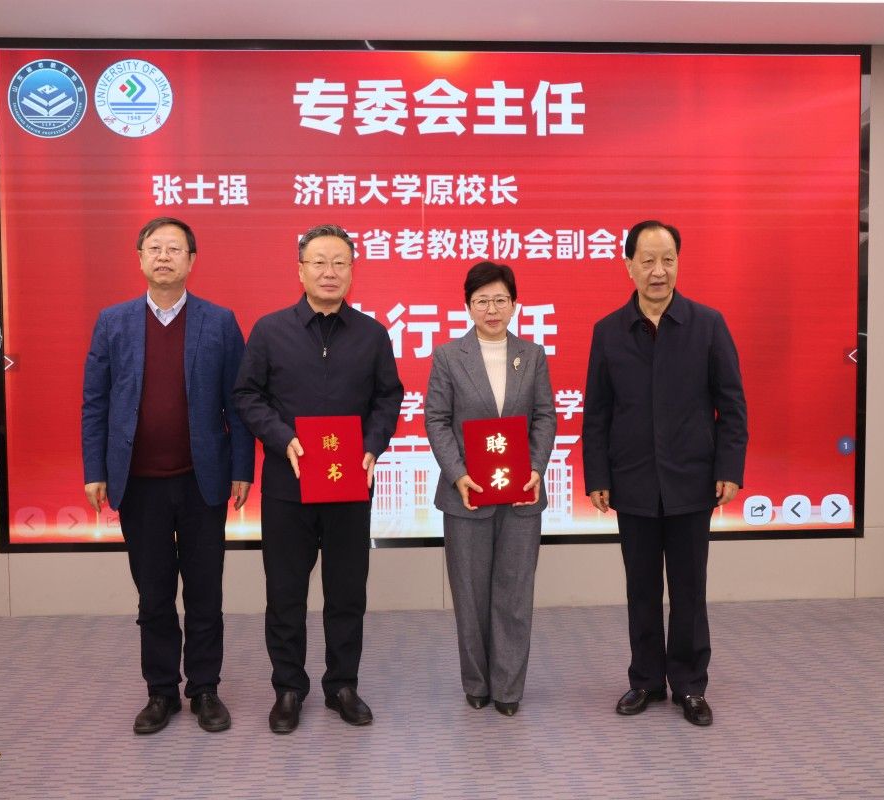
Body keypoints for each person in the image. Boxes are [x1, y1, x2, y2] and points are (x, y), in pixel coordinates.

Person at [81, 217, 254, 735]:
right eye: (154, 248)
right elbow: (95, 403)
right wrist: (95, 469)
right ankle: (161, 691)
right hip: (138, 482)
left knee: (205, 591)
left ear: (191, 260)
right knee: (153, 594)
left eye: (174, 249)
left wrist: (241, 469)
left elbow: (238, 404)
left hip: (202, 480)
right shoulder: (112, 322)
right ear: (139, 258)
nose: (163, 256)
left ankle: (204, 689)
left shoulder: (219, 322)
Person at [233, 223, 403, 734]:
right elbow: (247, 395)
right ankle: (288, 688)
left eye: (340, 263)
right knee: (285, 592)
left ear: (352, 271)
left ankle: (342, 685)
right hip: (289, 486)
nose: (330, 272)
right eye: (320, 262)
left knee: (347, 592)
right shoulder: (270, 331)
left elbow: (388, 397)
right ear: (300, 270)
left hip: (350, 485)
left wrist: (373, 445)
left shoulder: (372, 334)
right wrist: (281, 437)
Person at [582, 220, 747, 727]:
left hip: (691, 480)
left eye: (668, 260)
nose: (659, 271)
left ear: (678, 263)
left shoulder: (707, 324)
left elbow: (731, 405)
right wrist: (597, 475)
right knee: (642, 589)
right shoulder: (609, 331)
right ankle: (647, 681)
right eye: (648, 261)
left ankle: (690, 685)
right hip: (632, 481)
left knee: (689, 589)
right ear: (628, 266)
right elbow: (597, 413)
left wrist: (729, 468)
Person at [424, 261, 556, 716]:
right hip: (467, 493)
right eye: (482, 301)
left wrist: (535, 467)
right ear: (468, 306)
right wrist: (458, 473)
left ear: (514, 305)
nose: (492, 309)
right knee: (470, 595)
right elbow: (436, 419)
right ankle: (477, 683)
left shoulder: (532, 355)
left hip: (521, 494)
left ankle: (508, 688)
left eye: (501, 299)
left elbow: (545, 416)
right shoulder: (448, 356)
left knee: (514, 595)